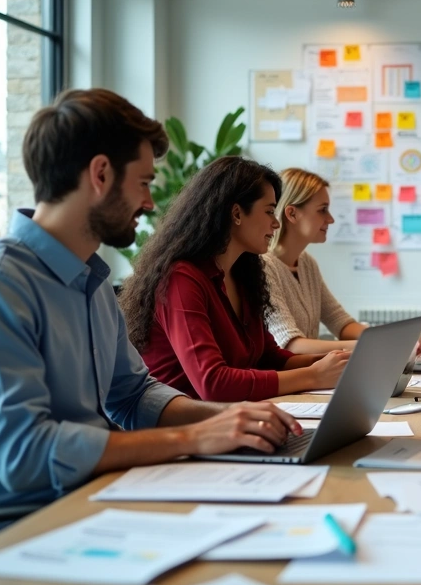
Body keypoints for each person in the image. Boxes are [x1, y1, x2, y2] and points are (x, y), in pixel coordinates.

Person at [0, 89, 303, 546]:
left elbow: (132, 394)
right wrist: (195, 438)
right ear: (101, 175)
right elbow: (24, 455)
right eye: (143, 183)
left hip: (93, 502)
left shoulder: (89, 282)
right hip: (15, 534)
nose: (149, 203)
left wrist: (230, 416)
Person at [120, 158, 349, 402]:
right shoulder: (180, 279)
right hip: (183, 431)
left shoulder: (243, 274)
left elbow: (268, 357)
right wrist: (314, 376)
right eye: (270, 211)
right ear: (237, 213)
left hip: (229, 421)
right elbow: (213, 383)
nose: (276, 222)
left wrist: (336, 362)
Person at [264, 168, 421, 354]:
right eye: (322, 210)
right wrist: (386, 344)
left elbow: (341, 323)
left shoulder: (307, 264)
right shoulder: (264, 267)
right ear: (292, 214)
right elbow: (292, 345)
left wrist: (405, 337)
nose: (331, 219)